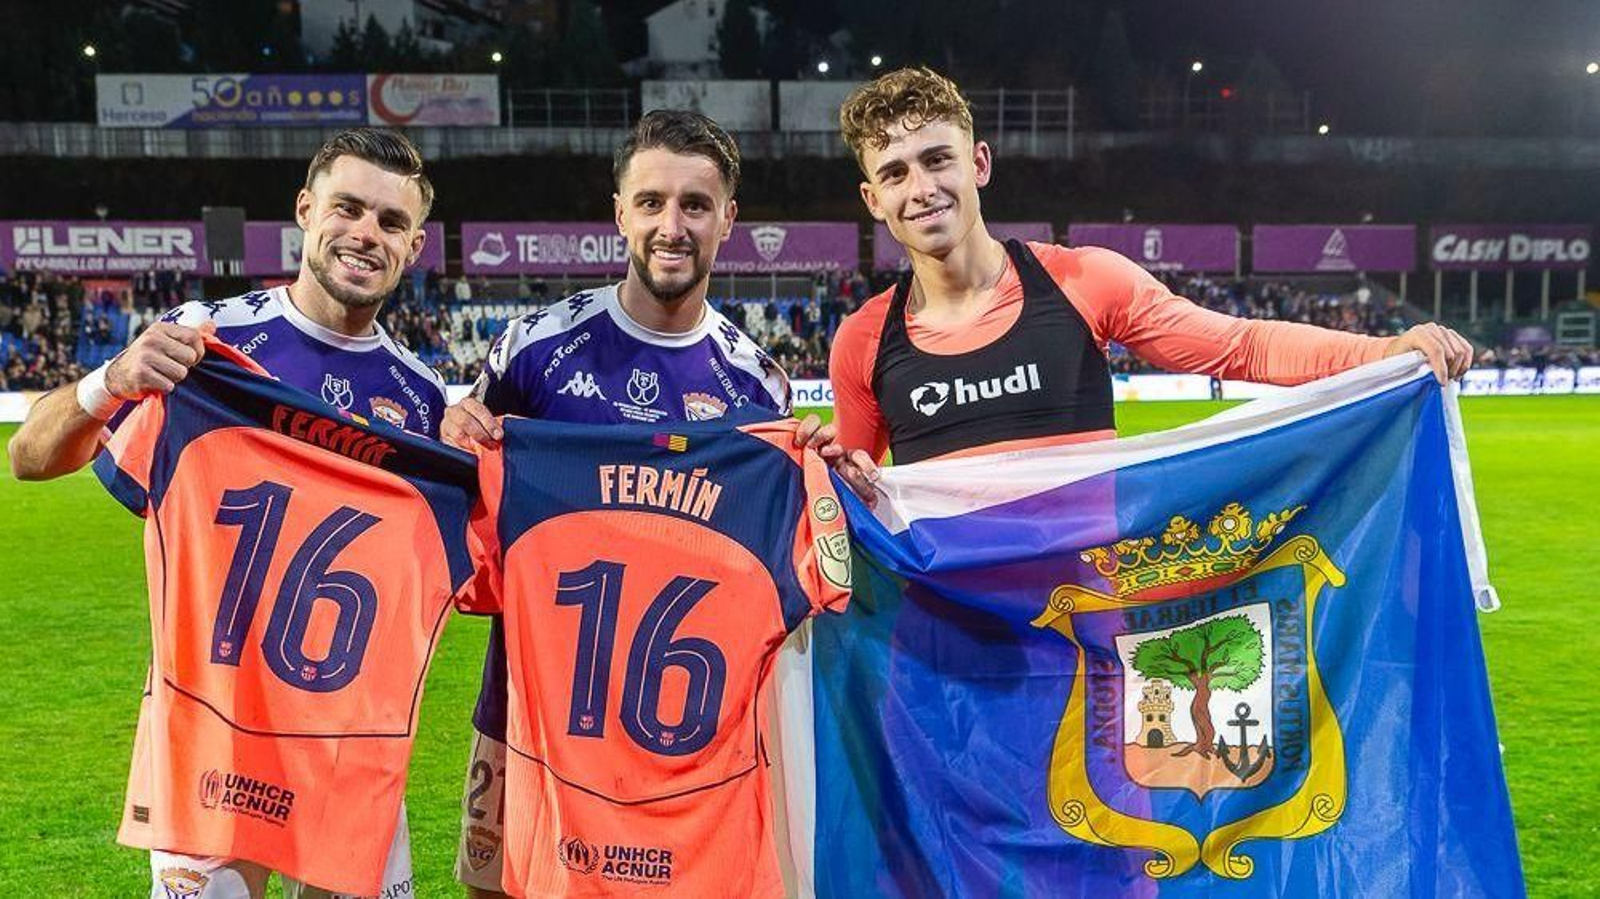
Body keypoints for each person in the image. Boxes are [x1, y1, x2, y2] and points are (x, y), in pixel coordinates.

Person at [9, 127, 444, 899]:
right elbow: (30, 458)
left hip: (350, 745)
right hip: (214, 734)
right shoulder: (209, 343)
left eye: (390, 222)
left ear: (413, 248)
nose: (365, 234)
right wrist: (110, 378)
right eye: (348, 208)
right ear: (306, 211)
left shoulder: (422, 398)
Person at [441, 109, 840, 899]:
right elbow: (464, 511)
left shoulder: (755, 384)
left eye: (695, 204)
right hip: (528, 709)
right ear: (619, 211)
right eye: (651, 202)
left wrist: (816, 471)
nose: (672, 225)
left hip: (679, 722)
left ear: (728, 218)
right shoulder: (533, 347)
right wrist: (458, 434)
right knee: (499, 891)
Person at [827, 67, 1474, 497]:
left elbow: (1239, 346)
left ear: (979, 163)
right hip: (948, 663)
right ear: (872, 198)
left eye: (938, 160)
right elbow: (855, 500)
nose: (922, 189)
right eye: (895, 173)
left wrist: (1383, 352)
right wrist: (822, 469)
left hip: (1085, 647)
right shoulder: (862, 340)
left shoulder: (1083, 280)